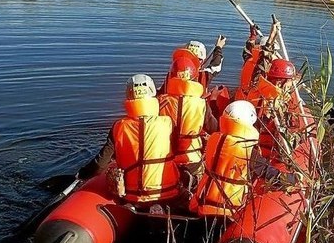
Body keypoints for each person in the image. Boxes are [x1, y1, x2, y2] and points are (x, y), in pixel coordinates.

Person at [78, 74, 181, 207]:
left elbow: (99, 165)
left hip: (132, 196)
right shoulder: (168, 123)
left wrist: (82, 174)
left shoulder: (119, 126)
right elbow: (177, 150)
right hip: (168, 192)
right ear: (152, 92)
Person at [189, 100, 260, 219]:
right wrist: (290, 179)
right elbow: (267, 171)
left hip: (204, 204)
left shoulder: (214, 138)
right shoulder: (247, 149)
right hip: (228, 211)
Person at [158, 56, 218, 193]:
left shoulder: (161, 101)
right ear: (194, 77)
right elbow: (214, 129)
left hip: (165, 158)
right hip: (192, 159)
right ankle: (193, 188)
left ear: (172, 76)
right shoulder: (200, 104)